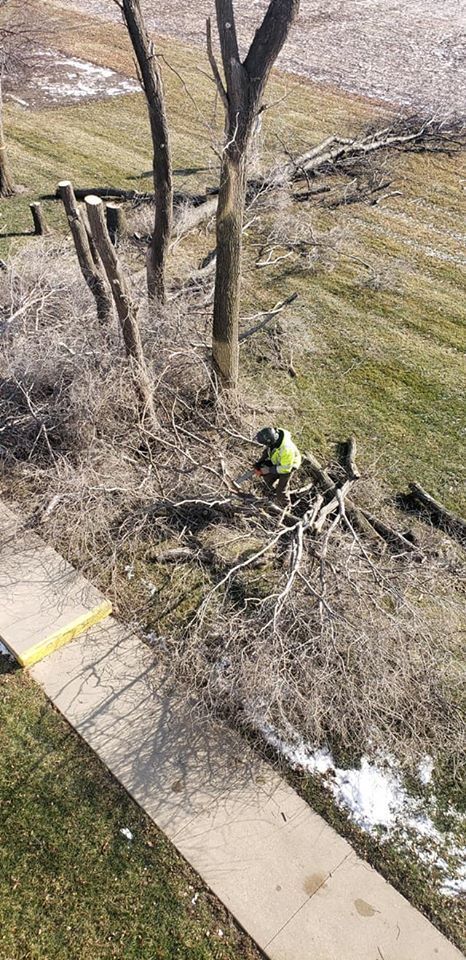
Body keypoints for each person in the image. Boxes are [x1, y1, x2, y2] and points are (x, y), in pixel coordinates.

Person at [253, 426, 302, 506]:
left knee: (281, 490)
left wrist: (268, 469)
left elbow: (285, 469)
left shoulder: (286, 449)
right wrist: (260, 462)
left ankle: (286, 508)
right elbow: (268, 449)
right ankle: (271, 495)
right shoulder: (274, 437)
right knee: (267, 477)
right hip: (279, 460)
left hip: (289, 465)